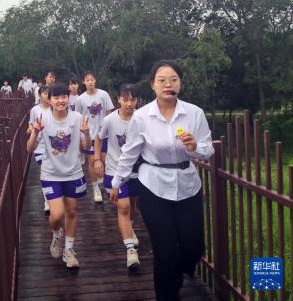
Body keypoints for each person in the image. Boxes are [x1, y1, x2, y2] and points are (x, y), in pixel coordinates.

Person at [109, 60, 214, 301]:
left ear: (181, 83)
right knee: (165, 251)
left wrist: (195, 146)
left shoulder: (194, 113)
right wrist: (116, 183)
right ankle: (167, 294)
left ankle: (176, 274)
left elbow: (209, 150)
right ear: (152, 85)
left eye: (174, 80)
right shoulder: (142, 117)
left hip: (187, 184)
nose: (168, 84)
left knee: (193, 247)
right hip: (153, 186)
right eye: (162, 80)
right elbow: (130, 152)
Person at [26, 83, 91, 269]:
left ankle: (69, 250)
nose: (61, 101)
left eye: (64, 97)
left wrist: (86, 133)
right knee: (57, 215)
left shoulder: (77, 118)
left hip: (73, 172)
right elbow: (29, 149)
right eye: (56, 97)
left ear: (69, 98)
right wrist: (35, 132)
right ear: (50, 100)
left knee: (71, 212)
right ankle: (56, 235)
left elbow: (86, 147)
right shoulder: (42, 117)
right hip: (50, 173)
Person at [94, 84, 141, 272]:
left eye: (133, 99)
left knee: (133, 205)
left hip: (137, 171)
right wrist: (97, 159)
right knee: (124, 207)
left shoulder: (142, 118)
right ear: (118, 100)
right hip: (114, 170)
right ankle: (130, 250)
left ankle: (129, 229)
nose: (129, 103)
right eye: (125, 99)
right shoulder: (109, 120)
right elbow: (98, 138)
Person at [75, 71, 114, 203]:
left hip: (104, 134)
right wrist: (80, 137)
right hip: (89, 135)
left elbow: (109, 113)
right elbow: (77, 117)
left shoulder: (104, 95)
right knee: (92, 162)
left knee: (104, 160)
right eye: (88, 80)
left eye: (92, 79)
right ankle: (96, 188)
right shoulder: (80, 99)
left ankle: (106, 182)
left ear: (95, 81)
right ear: (83, 82)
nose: (90, 82)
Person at [27, 85, 51, 214]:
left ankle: (52, 197)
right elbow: (31, 123)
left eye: (49, 93)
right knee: (45, 170)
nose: (47, 95)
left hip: (53, 145)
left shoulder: (55, 108)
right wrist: (31, 129)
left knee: (52, 172)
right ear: (40, 95)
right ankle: (47, 199)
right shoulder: (35, 110)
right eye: (45, 93)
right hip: (40, 145)